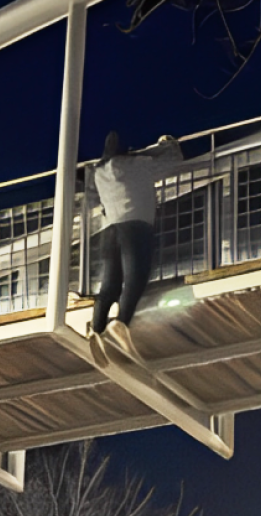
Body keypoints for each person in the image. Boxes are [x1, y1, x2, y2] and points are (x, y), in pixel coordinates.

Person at [89, 130, 182, 356]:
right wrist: (167, 144)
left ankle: (96, 329)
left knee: (109, 285)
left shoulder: (98, 172)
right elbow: (173, 161)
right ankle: (121, 323)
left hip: (109, 231)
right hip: (136, 228)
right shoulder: (137, 165)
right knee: (135, 279)